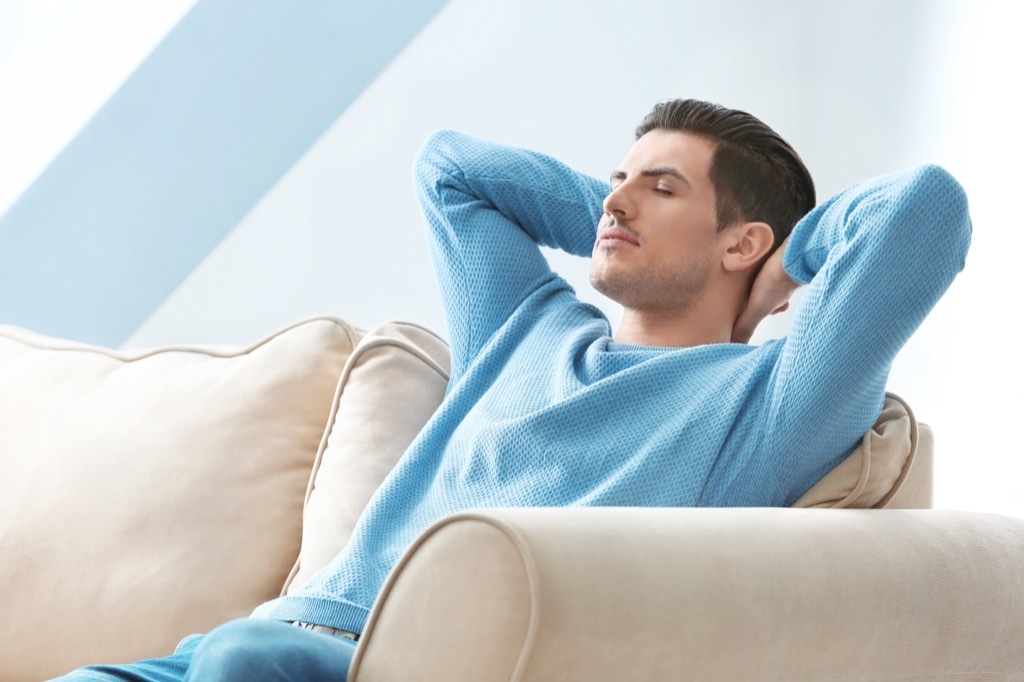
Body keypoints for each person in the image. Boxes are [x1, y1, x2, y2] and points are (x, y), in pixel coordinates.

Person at [57, 98, 971, 681]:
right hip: (238, 648)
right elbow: (450, 168)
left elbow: (923, 209)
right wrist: (622, 221)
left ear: (745, 241)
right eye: (617, 181)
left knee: (250, 659)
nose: (616, 202)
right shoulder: (524, 329)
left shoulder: (771, 401)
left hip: (388, 665)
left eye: (659, 188)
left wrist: (783, 267)